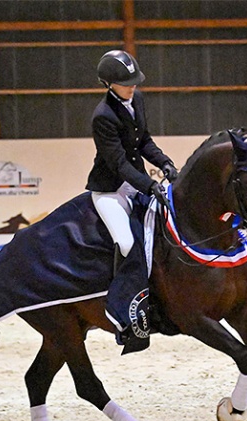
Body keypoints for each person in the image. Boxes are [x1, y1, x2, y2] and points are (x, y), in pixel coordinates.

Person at [86, 49, 178, 351]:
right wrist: (148, 184)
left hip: (134, 181)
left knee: (162, 230)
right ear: (108, 84)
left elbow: (145, 141)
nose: (133, 87)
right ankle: (122, 309)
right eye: (126, 83)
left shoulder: (136, 100)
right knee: (127, 242)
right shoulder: (103, 116)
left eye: (134, 82)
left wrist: (164, 162)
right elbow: (119, 164)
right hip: (110, 190)